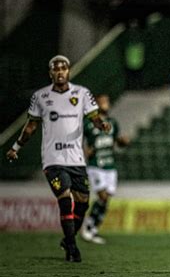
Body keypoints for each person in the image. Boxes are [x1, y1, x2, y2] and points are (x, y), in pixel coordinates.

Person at [5, 55, 110, 262]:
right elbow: (31, 126)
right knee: (64, 199)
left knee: (83, 203)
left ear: (69, 71)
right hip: (53, 160)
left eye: (63, 68)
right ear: (50, 73)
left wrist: (101, 125)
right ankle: (71, 246)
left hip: (77, 160)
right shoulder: (40, 97)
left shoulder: (82, 94)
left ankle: (67, 239)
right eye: (56, 69)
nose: (60, 72)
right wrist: (16, 146)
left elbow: (94, 118)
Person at [81, 94, 130, 244]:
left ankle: (94, 228)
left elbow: (116, 142)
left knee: (106, 198)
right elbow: (78, 141)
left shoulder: (112, 123)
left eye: (107, 101)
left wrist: (123, 142)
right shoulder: (89, 123)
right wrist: (84, 151)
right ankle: (88, 226)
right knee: (102, 196)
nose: (106, 104)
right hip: (96, 165)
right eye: (103, 102)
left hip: (110, 165)